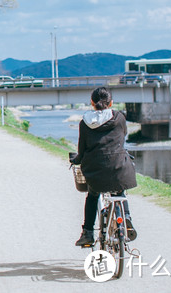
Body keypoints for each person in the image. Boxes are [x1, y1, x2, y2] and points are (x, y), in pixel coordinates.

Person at [70, 87, 137, 246]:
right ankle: (126, 218)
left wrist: (77, 159)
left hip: (95, 169)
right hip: (118, 166)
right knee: (120, 190)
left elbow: (82, 149)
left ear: (92, 103)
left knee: (93, 196)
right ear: (111, 103)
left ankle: (87, 233)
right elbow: (122, 136)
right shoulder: (119, 118)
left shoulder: (84, 123)